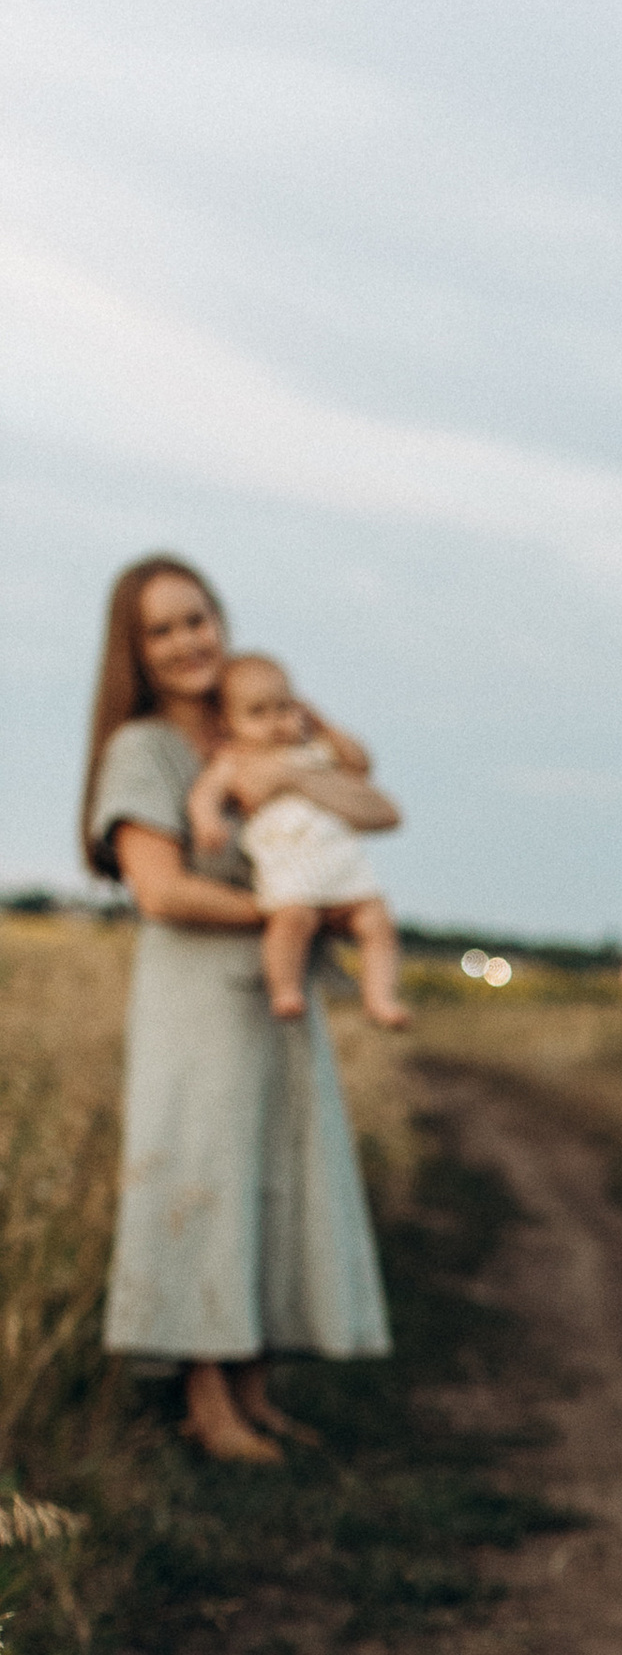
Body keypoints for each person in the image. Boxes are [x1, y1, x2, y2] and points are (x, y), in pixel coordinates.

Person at [81, 557, 398, 1462]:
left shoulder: (261, 731)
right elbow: (162, 891)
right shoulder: (142, 748)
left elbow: (376, 808)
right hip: (197, 997)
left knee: (273, 1176)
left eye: (198, 620)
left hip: (272, 991)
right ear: (134, 652)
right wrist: (291, 910)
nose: (187, 642)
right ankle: (205, 1401)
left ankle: (255, 1391)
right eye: (162, 630)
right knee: (204, 1178)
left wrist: (304, 771)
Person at [195, 651, 413, 1032]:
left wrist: (323, 724)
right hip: (291, 869)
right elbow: (205, 793)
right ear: (228, 722)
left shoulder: (313, 751)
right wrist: (207, 819)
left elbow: (360, 763)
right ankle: (285, 989)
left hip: (343, 867)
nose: (275, 721)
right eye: (257, 713)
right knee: (292, 921)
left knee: (378, 923)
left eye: (284, 707)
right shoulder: (236, 760)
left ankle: (380, 997)